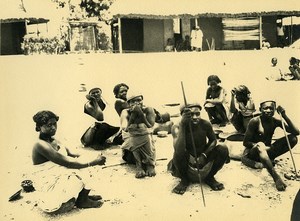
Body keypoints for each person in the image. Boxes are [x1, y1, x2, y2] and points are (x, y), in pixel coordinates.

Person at [32, 110, 106, 214]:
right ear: (39, 127)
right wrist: (93, 162)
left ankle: (82, 196)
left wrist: (91, 157)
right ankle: (82, 201)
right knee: (89, 167)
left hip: (58, 178)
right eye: (49, 125)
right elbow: (68, 163)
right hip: (50, 188)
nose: (53, 127)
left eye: (54, 124)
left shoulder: (53, 139)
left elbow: (71, 154)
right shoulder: (40, 145)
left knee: (88, 163)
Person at [168, 103, 229, 194]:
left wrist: (204, 155)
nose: (195, 117)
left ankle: (209, 177)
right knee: (178, 153)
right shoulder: (177, 127)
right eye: (191, 114)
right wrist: (183, 125)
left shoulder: (205, 124)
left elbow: (213, 140)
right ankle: (184, 180)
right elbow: (179, 150)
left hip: (202, 159)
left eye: (198, 114)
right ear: (183, 115)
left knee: (223, 148)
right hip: (186, 162)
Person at [242, 100, 299, 191]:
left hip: (267, 152)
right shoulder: (255, 121)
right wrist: (260, 146)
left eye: (271, 108)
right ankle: (276, 178)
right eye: (265, 108)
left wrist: (284, 116)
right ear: (260, 109)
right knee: (260, 145)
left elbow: (296, 132)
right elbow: (246, 142)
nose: (268, 111)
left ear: (275, 110)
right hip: (254, 153)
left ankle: (267, 161)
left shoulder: (275, 121)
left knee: (293, 139)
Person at [120, 93, 156, 178]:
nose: (137, 103)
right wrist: (133, 116)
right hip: (131, 139)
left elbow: (150, 125)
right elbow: (125, 128)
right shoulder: (125, 112)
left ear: (143, 101)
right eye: (133, 101)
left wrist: (140, 114)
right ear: (129, 104)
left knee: (149, 145)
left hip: (146, 137)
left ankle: (150, 165)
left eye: (139, 100)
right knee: (131, 155)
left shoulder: (148, 109)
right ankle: (138, 166)